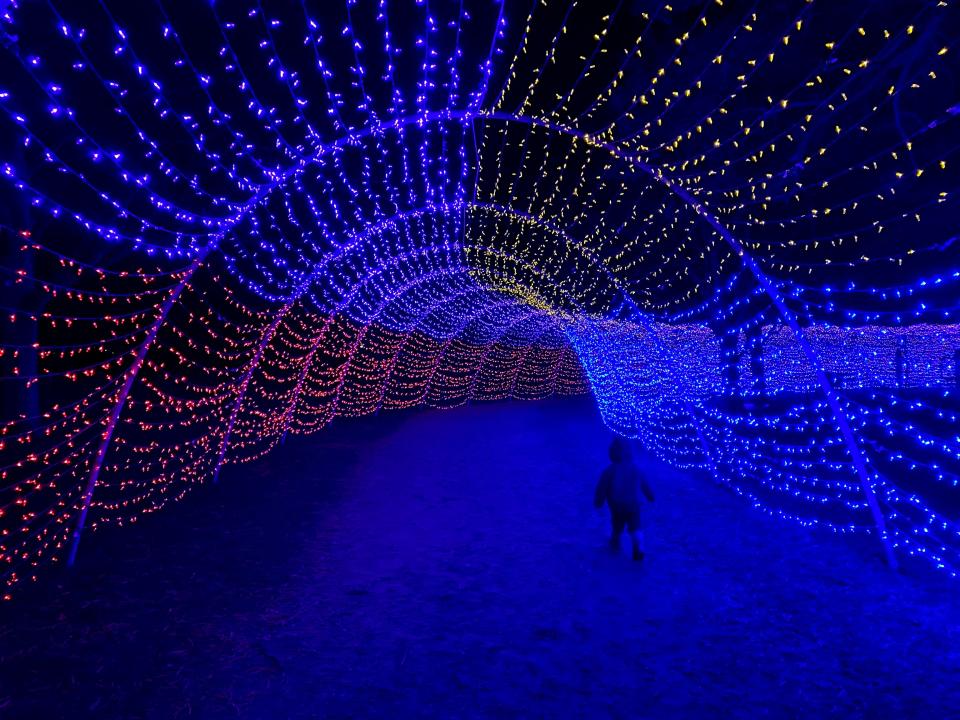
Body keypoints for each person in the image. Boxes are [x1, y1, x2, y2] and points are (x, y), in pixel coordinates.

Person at [594, 437, 655, 561]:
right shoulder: (636, 468)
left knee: (617, 526)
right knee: (635, 526)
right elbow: (644, 484)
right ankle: (638, 545)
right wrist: (650, 496)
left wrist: (599, 502)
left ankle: (615, 543)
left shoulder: (609, 471)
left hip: (617, 506)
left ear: (611, 453)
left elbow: (602, 488)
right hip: (634, 504)